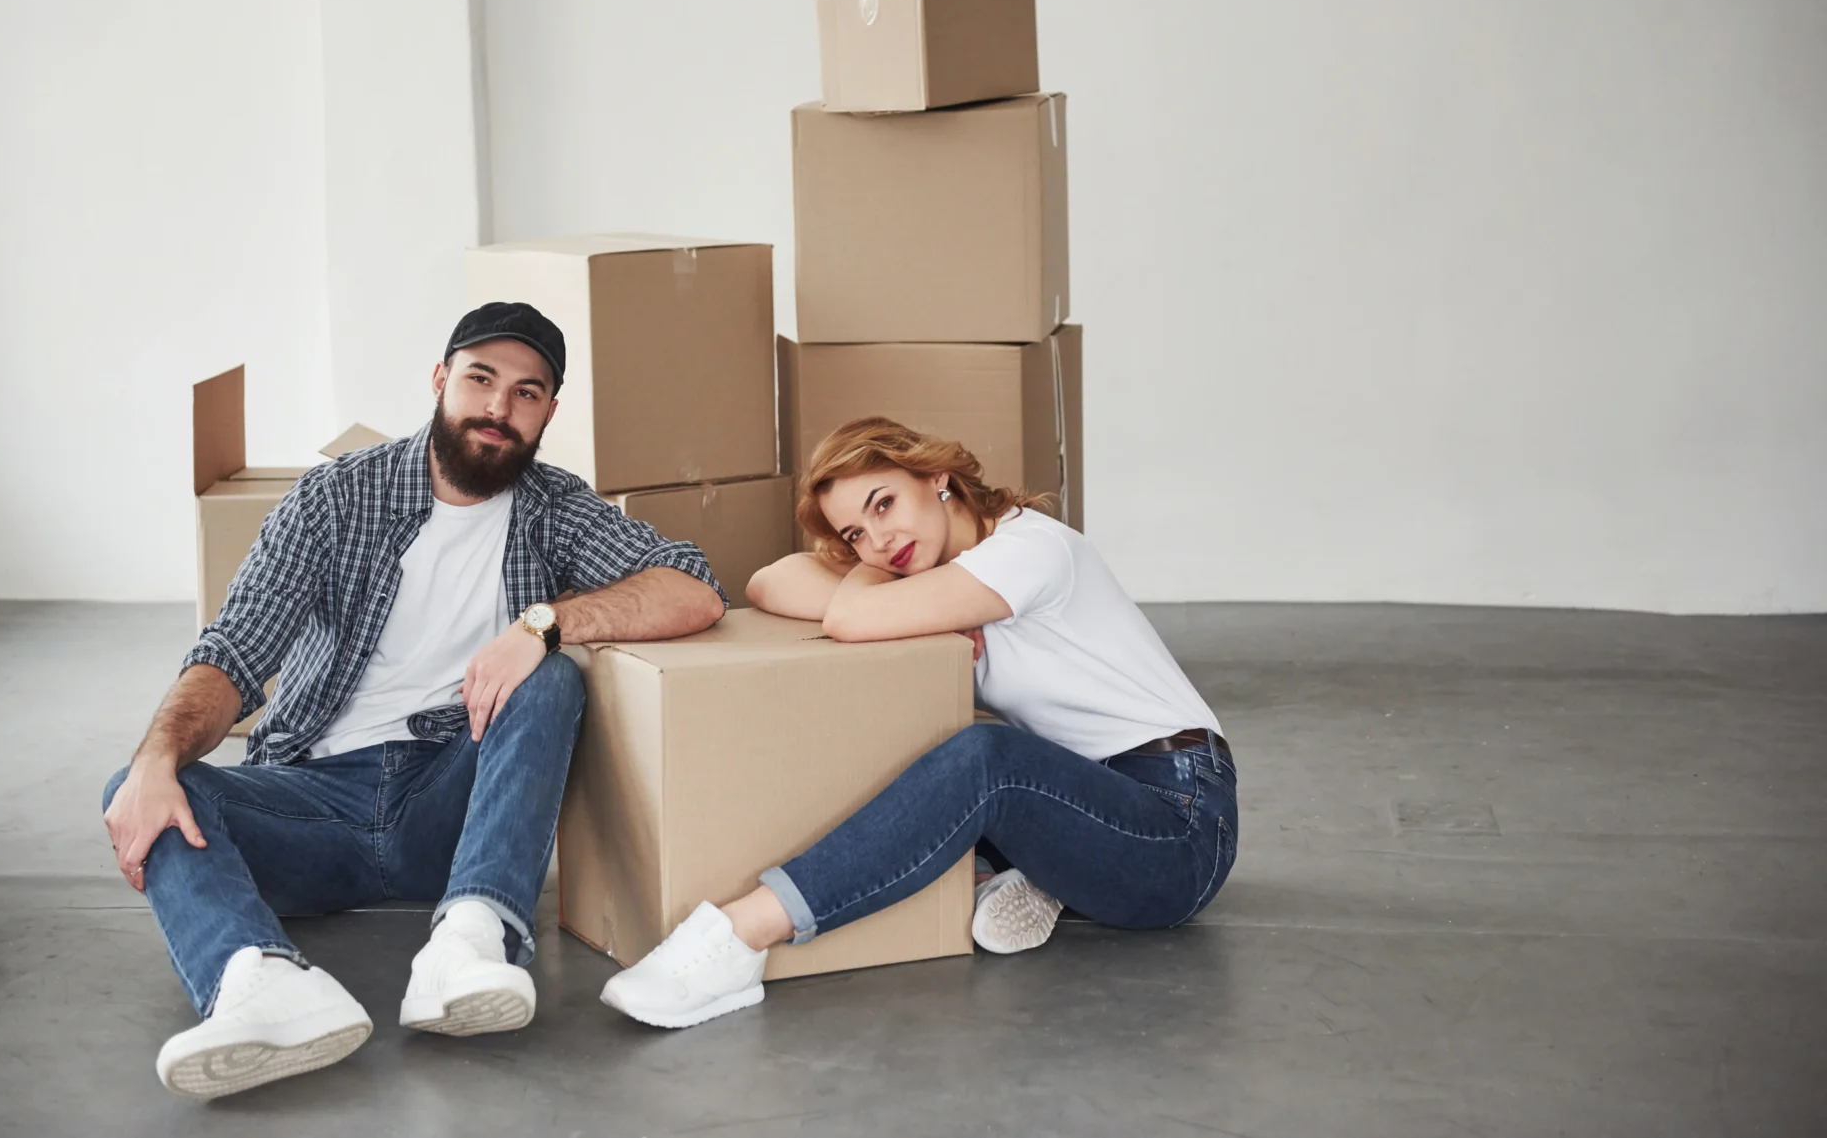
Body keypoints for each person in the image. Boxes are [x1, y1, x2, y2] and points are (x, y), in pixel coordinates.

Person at [101, 302, 725, 1098]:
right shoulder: (336, 498)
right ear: (440, 380)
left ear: (548, 413)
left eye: (526, 392)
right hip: (312, 805)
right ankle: (260, 983)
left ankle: (469, 940)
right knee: (144, 783)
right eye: (480, 379)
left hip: (449, 805)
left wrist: (543, 624)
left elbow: (695, 585)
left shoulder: (554, 509)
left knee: (551, 675)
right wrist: (158, 757)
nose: (498, 407)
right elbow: (234, 651)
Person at [598, 416, 1237, 1029]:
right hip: (1079, 798)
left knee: (987, 757)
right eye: (854, 534)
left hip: (1176, 823)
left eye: (884, 504)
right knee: (914, 760)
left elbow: (847, 619)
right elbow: (770, 581)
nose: (879, 539)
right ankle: (1004, 878)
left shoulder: (1030, 549)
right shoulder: (938, 573)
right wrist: (887, 583)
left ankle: (739, 936)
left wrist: (874, 588)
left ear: (936, 477)